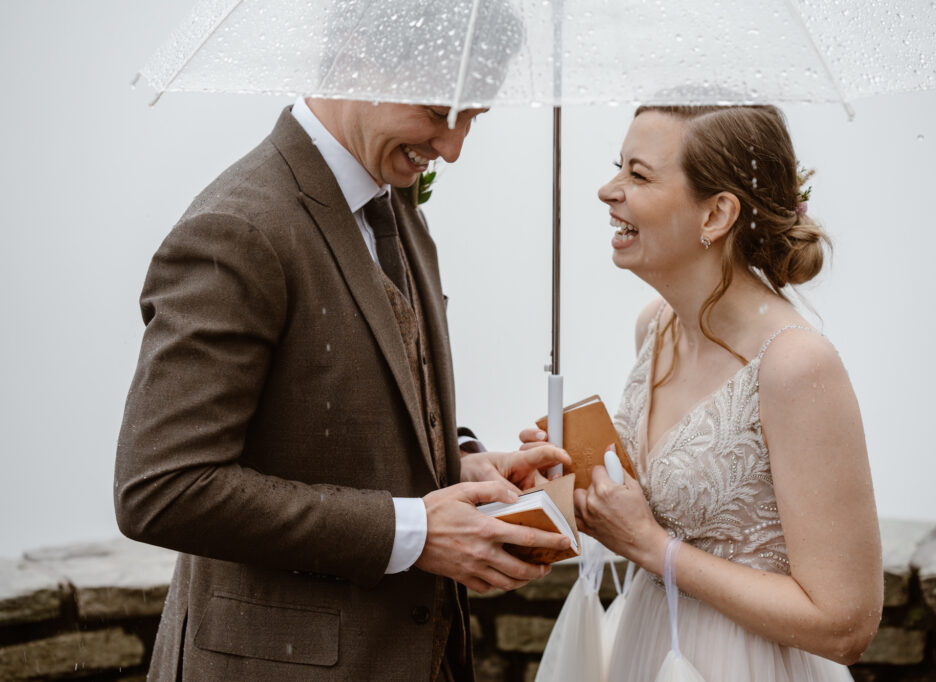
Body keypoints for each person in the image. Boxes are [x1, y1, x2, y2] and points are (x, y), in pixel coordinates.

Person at [113, 69, 573, 682]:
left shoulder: (395, 204)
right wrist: (412, 532)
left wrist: (456, 466)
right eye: (440, 110)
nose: (454, 147)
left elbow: (353, 403)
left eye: (474, 118)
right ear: (361, 60)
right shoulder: (237, 228)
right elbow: (163, 487)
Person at [528, 104, 883, 680]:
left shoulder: (795, 366)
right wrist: (589, 489)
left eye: (637, 176)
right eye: (618, 167)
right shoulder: (655, 327)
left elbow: (846, 624)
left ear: (717, 214)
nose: (606, 190)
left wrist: (651, 548)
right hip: (648, 645)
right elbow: (663, 512)